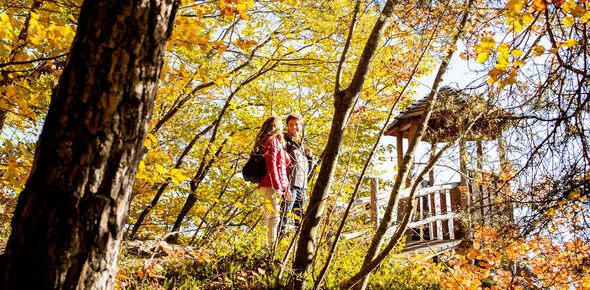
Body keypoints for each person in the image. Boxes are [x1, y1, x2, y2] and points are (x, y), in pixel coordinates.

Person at [253, 116, 292, 245]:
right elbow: (272, 166)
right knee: (272, 217)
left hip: (274, 184)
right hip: (270, 184)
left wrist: (285, 188)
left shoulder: (277, 141)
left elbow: (281, 167)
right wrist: (277, 186)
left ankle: (266, 246)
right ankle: (268, 247)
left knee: (270, 215)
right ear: (276, 126)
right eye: (281, 125)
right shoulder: (271, 141)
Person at [279, 113, 313, 237]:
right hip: (290, 187)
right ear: (287, 126)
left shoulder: (301, 144)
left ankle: (298, 246)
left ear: (301, 125)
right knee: (285, 215)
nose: (293, 127)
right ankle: (279, 242)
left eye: (296, 124)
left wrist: (310, 157)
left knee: (301, 219)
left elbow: (307, 170)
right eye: (291, 125)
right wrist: (286, 186)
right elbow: (282, 165)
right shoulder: (285, 142)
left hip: (302, 187)